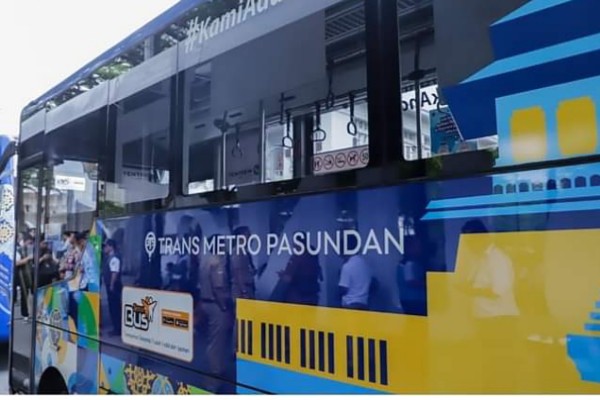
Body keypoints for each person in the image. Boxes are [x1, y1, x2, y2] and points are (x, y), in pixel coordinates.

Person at [198, 234, 234, 393]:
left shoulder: (205, 260)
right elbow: (218, 288)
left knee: (211, 340)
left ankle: (216, 371)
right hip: (216, 305)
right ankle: (213, 380)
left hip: (206, 302)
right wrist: (224, 307)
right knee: (217, 343)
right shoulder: (217, 261)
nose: (226, 246)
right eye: (223, 243)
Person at [338, 235, 372, 310]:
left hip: (350, 306)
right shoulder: (365, 263)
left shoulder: (347, 266)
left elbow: (343, 289)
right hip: (364, 305)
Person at [230, 226, 256, 300]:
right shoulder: (238, 251)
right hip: (241, 292)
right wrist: (244, 291)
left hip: (247, 288)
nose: (250, 237)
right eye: (248, 234)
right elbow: (237, 272)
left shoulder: (245, 252)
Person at [102, 239, 122, 336]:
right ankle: (116, 327)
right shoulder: (109, 258)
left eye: (106, 246)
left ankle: (117, 329)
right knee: (112, 307)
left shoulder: (114, 258)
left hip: (114, 286)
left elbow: (114, 273)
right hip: (110, 285)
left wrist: (111, 285)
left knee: (115, 307)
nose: (104, 248)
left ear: (111, 247)